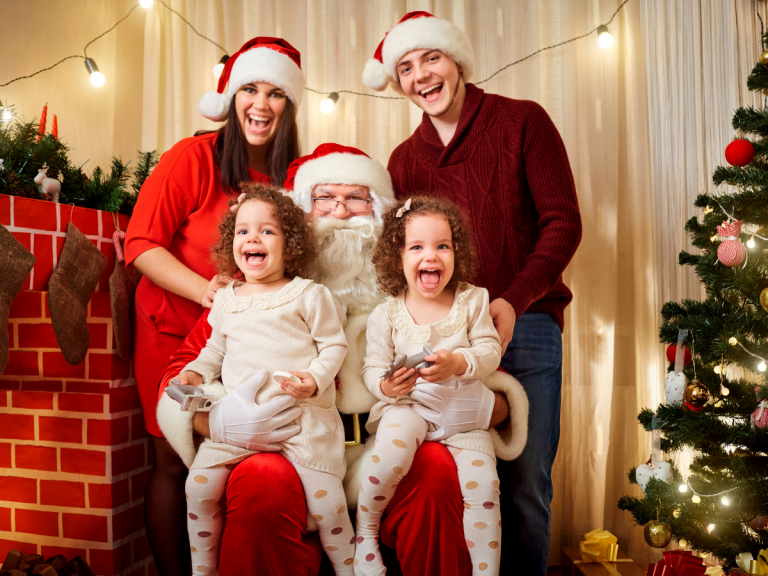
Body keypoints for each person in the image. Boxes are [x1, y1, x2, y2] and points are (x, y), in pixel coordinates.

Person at [156, 144, 529, 576]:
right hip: (293, 445)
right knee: (260, 480)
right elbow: (181, 371)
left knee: (437, 471)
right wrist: (214, 421)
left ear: (383, 216)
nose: (340, 211)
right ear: (299, 217)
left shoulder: (428, 290)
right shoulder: (246, 293)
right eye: (323, 198)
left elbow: (491, 381)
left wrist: (482, 407)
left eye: (356, 198)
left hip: (391, 448)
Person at [362, 12, 582, 575]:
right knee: (453, 475)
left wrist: (511, 298)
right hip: (441, 336)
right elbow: (402, 255)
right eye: (405, 68)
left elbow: (563, 222)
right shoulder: (404, 161)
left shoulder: (522, 122)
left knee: (526, 482)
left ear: (455, 60)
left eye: (430, 58)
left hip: (526, 322)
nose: (421, 76)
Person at [124, 37, 305, 576]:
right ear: (230, 95)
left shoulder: (291, 178)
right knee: (175, 461)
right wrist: (205, 290)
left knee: (232, 458)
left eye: (275, 93)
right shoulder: (192, 157)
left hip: (243, 347)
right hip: (171, 336)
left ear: (289, 105)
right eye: (249, 88)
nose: (261, 104)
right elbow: (140, 244)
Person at [177, 184, 354, 576]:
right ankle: (203, 570)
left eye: (267, 231)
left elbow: (334, 347)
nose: (252, 238)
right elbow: (214, 351)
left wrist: (314, 379)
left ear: (290, 244)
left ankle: (350, 568)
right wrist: (194, 373)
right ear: (231, 243)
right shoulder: (227, 299)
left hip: (302, 420)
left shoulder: (308, 295)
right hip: (238, 423)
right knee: (198, 487)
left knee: (327, 505)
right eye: (242, 231)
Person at [356, 197, 503, 576]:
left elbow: (489, 350)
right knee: (388, 457)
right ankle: (365, 533)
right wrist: (388, 387)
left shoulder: (473, 300)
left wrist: (459, 362)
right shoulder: (385, 313)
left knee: (485, 493)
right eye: (417, 247)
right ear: (398, 257)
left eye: (442, 246)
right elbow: (372, 368)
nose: (431, 256)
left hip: (464, 419)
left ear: (457, 254)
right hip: (409, 408)